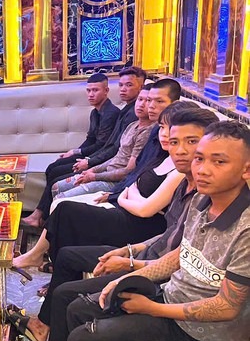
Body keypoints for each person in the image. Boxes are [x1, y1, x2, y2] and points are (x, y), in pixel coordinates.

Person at [30, 120, 250, 341]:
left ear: (246, 170)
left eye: (219, 162)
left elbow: (226, 307)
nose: (202, 168)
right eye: (201, 158)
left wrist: (152, 308)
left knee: (83, 338)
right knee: (77, 307)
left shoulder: (245, 230)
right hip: (170, 296)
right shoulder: (203, 201)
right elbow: (179, 254)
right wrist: (127, 278)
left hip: (200, 331)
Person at [7, 107, 218, 341]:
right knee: (67, 245)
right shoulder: (172, 167)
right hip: (143, 239)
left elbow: (160, 230)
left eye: (191, 142)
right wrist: (129, 248)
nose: (180, 149)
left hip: (145, 243)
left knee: (67, 217)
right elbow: (133, 180)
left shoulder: (198, 190)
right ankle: (46, 314)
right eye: (171, 137)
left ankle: (49, 331)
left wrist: (130, 261)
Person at [12, 102, 199, 274]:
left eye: (170, 129)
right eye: (162, 127)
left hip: (138, 223)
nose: (164, 134)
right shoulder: (159, 153)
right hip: (125, 206)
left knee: (65, 209)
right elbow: (133, 180)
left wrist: (120, 196)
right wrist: (119, 193)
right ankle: (49, 259)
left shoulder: (180, 169)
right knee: (62, 202)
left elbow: (144, 207)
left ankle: (42, 257)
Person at [22, 73, 120, 227]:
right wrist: (74, 152)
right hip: (91, 154)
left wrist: (85, 160)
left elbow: (102, 146)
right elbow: (90, 139)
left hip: (99, 158)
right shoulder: (95, 112)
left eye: (95, 90)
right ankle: (41, 215)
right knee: (53, 167)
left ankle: (41, 216)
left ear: (106, 91)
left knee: (56, 173)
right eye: (88, 90)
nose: (91, 94)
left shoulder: (111, 113)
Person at [51, 84, 154, 205]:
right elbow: (117, 157)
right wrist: (93, 169)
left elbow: (128, 171)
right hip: (105, 171)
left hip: (115, 182)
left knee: (60, 199)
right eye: (140, 99)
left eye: (147, 101)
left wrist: (94, 175)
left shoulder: (147, 132)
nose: (141, 104)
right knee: (56, 187)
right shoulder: (132, 125)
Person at [70, 67, 146, 174]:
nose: (123, 89)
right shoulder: (125, 110)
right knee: (56, 169)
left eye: (129, 85)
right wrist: (85, 158)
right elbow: (105, 144)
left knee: (57, 173)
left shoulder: (133, 114)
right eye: (121, 85)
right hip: (103, 159)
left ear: (141, 88)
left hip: (114, 165)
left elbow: (115, 148)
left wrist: (89, 161)